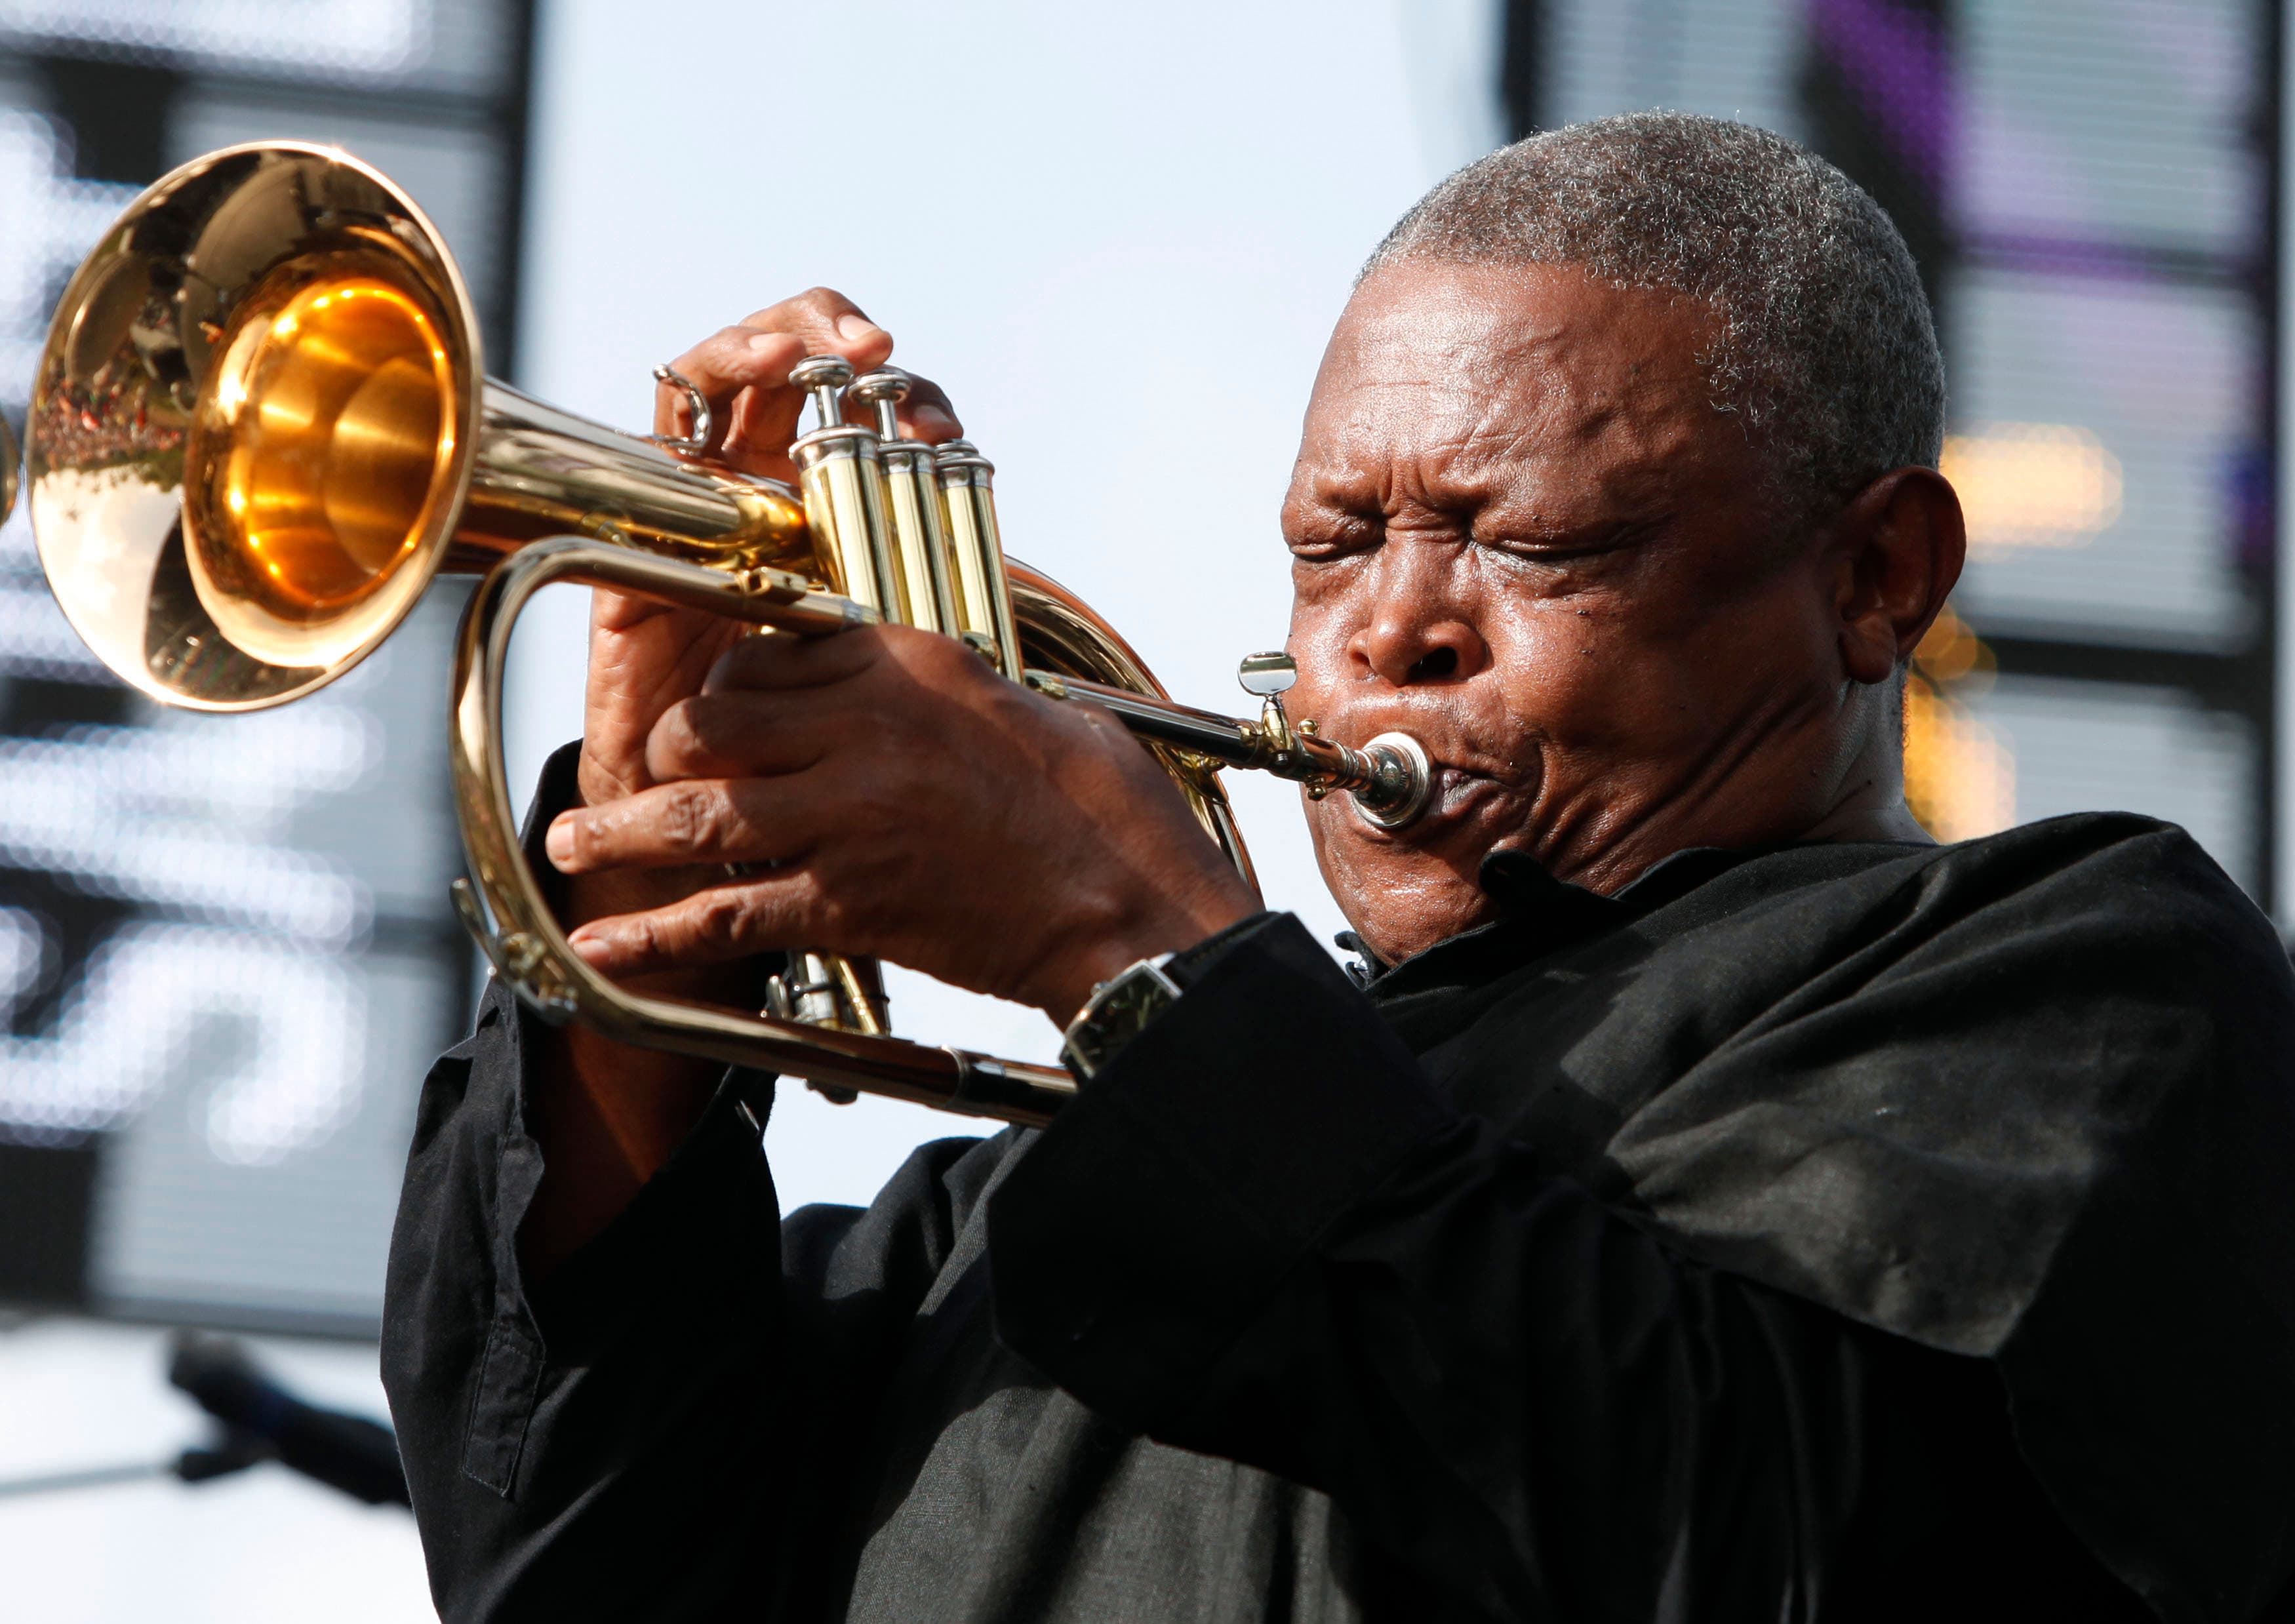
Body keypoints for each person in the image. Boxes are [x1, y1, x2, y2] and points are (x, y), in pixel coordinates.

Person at [382, 114, 2295, 1623]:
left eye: (1522, 544)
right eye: (1332, 544)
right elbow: (564, 1566)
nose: (1388, 632)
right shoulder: (1006, 1213)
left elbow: (1752, 1540)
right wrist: (637, 924)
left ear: (1874, 578)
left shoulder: (2073, 977)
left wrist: (1114, 935)